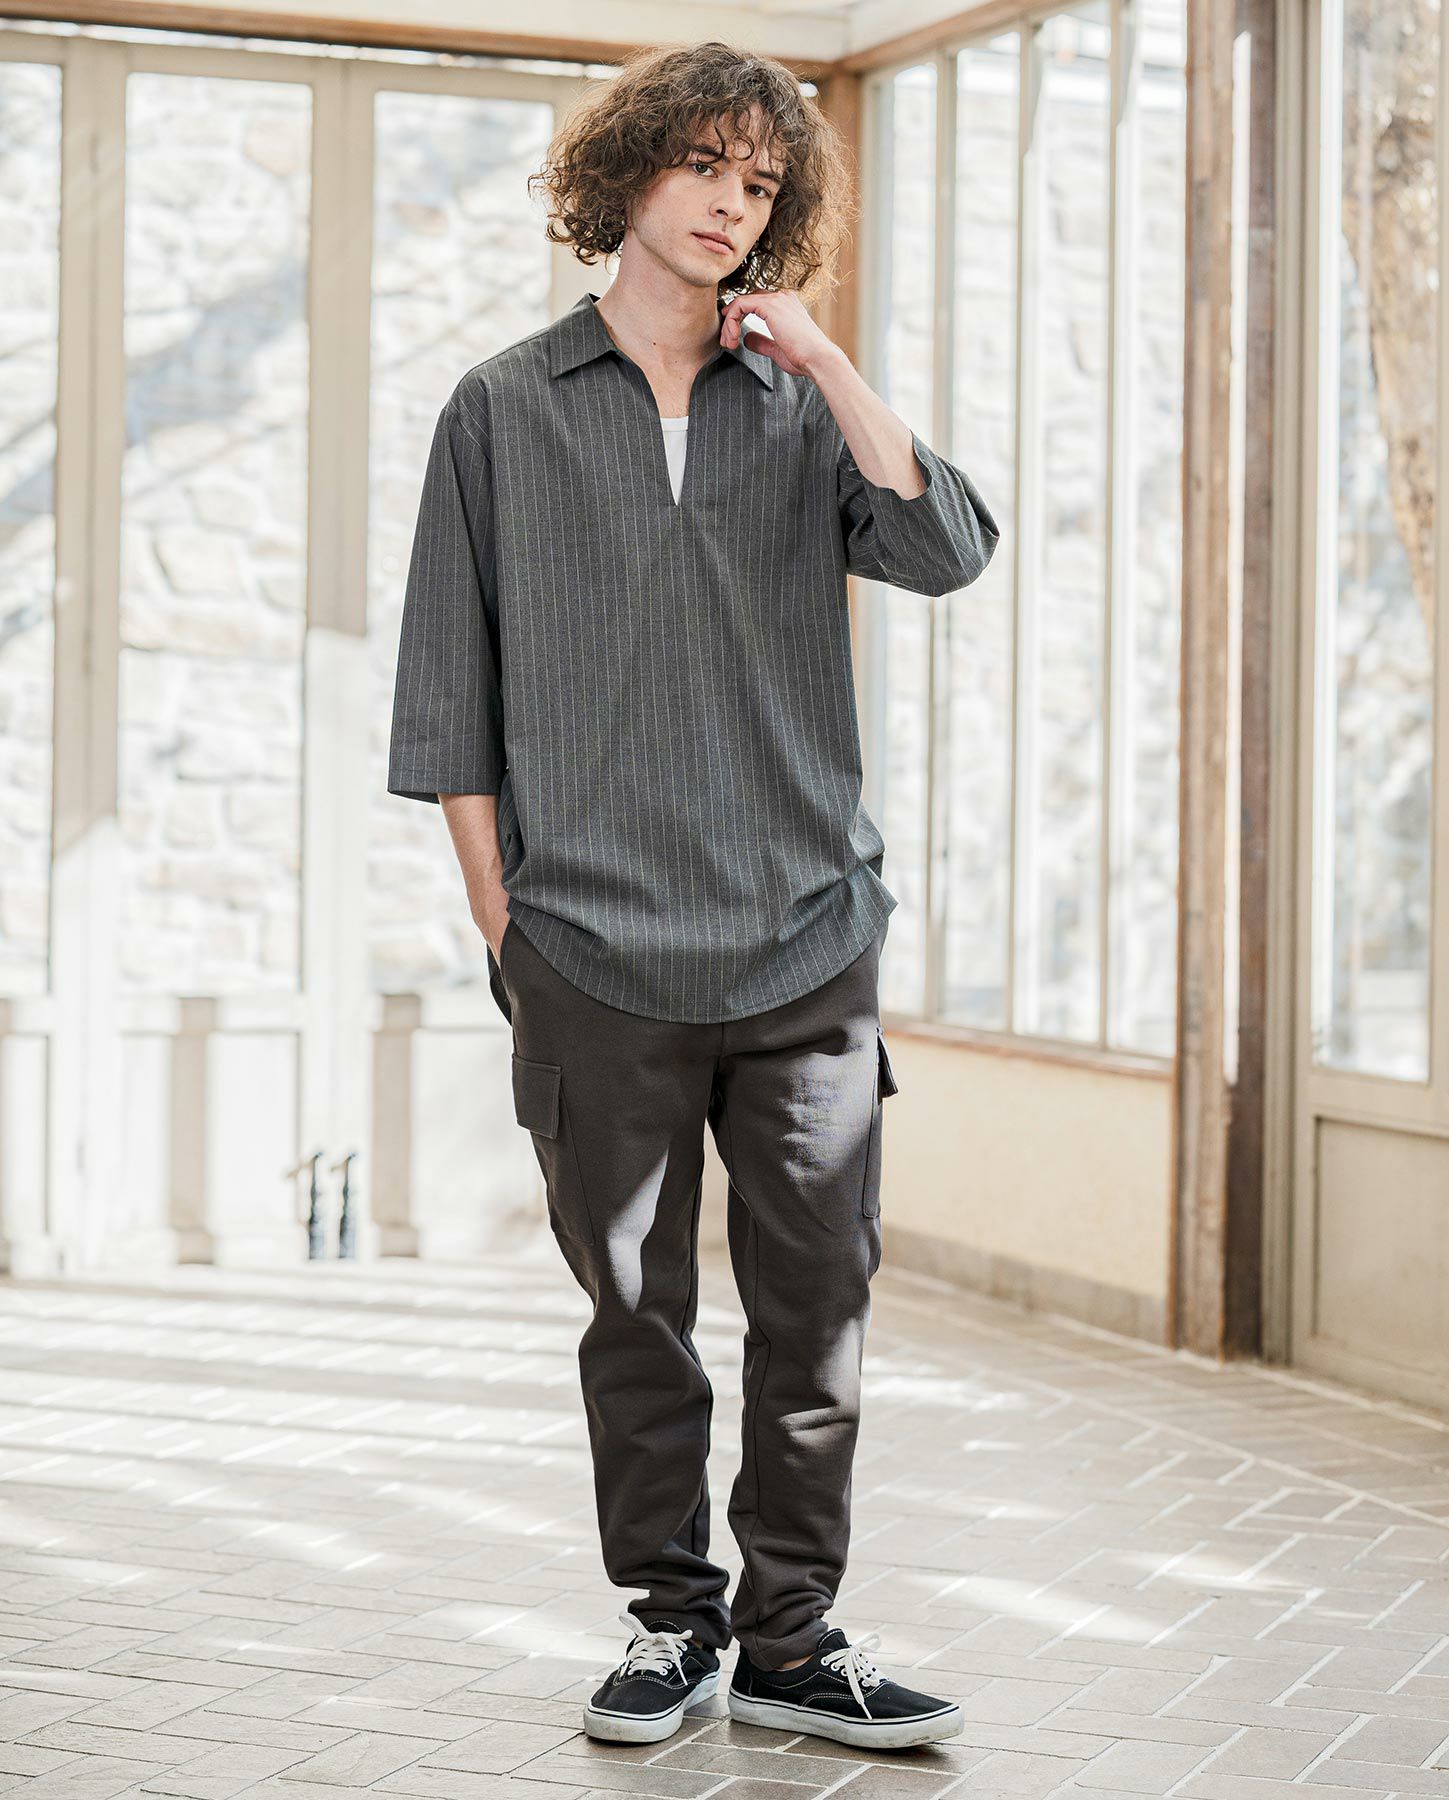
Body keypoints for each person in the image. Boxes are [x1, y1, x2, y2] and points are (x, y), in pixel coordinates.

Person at [387, 37, 998, 1754]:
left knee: (818, 1314)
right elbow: (447, 692)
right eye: (706, 165)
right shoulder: (503, 407)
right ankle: (674, 1625)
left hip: (805, 939)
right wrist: (509, 927)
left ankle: (796, 1639)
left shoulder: (801, 405)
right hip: (592, 953)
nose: (733, 202)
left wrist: (827, 357)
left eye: (761, 182)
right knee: (636, 1317)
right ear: (630, 173)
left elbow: (947, 547)